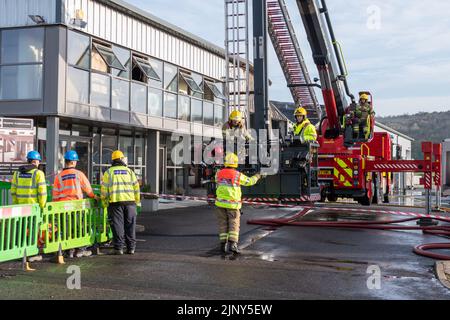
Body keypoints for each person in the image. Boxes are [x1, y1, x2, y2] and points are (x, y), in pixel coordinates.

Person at [52, 150, 97, 258]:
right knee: (79, 227)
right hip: (77, 206)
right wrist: (94, 197)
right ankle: (80, 250)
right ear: (73, 162)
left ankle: (69, 251)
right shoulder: (79, 174)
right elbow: (88, 190)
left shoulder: (58, 176)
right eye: (75, 161)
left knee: (65, 229)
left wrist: (57, 206)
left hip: (62, 207)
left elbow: (55, 195)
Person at [214, 152, 261, 255]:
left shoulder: (218, 173)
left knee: (223, 224)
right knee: (234, 224)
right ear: (235, 163)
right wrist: (257, 176)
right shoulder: (237, 175)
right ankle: (233, 245)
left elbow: (218, 183)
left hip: (220, 204)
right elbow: (249, 181)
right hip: (232, 205)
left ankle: (223, 245)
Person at [101, 150, 141, 255]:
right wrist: (137, 202)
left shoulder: (108, 172)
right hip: (130, 203)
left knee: (118, 226)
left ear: (113, 160)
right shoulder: (130, 172)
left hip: (115, 203)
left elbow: (104, 190)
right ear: (121, 159)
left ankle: (119, 248)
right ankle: (131, 248)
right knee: (130, 226)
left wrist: (104, 203)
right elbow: (136, 188)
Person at [11, 150, 47, 263]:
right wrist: (42, 206)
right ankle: (31, 254)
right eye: (38, 161)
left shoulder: (17, 173)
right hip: (33, 208)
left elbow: (13, 190)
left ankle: (20, 252)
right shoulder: (38, 173)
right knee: (32, 230)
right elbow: (42, 193)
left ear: (28, 160)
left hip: (20, 207)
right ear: (36, 161)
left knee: (21, 229)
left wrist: (16, 204)